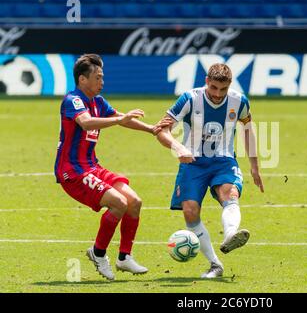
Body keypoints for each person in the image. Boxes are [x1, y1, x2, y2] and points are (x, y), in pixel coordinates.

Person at [54, 54, 171, 280]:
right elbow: (87, 122)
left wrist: (151, 129)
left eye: (102, 77)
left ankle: (124, 258)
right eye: (98, 78)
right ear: (82, 80)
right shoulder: (73, 100)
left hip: (92, 166)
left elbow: (121, 117)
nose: (102, 82)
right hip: (73, 172)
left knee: (134, 202)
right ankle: (98, 254)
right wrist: (119, 120)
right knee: (118, 203)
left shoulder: (98, 101)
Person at [156, 63, 264, 278]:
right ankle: (215, 264)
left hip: (223, 160)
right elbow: (161, 129)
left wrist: (254, 166)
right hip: (193, 161)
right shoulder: (189, 99)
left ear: (229, 86)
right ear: (207, 81)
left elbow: (247, 130)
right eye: (213, 88)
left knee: (229, 193)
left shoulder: (239, 101)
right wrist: (177, 147)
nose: (217, 94)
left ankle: (231, 234)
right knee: (190, 211)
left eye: (222, 89)